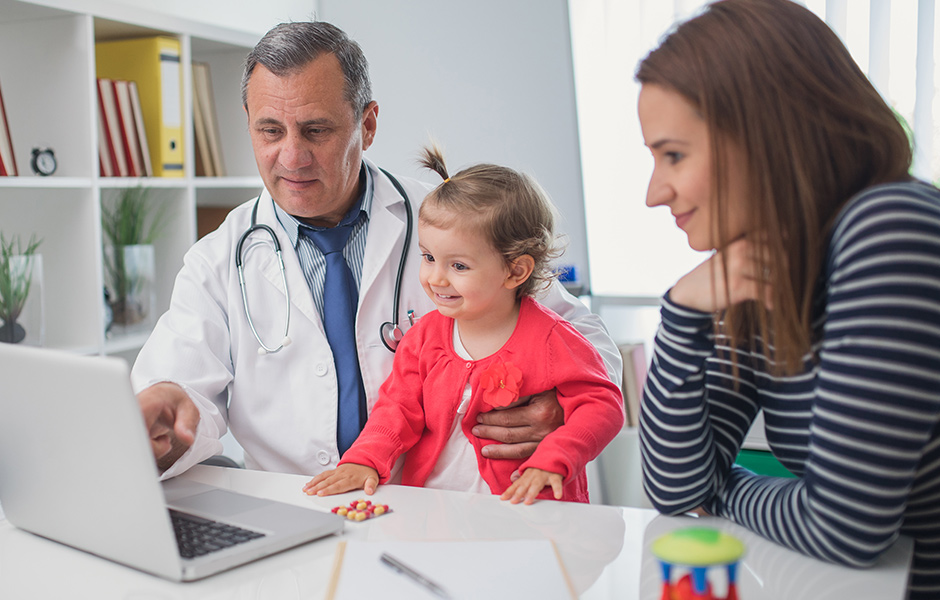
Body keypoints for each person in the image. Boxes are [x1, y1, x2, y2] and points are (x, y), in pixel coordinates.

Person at [131, 21, 622, 481]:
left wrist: (562, 407)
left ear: (367, 125)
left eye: (316, 130)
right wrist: (170, 412)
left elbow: (583, 339)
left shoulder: (450, 223)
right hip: (297, 512)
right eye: (270, 131)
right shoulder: (218, 260)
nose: (292, 156)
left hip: (438, 511)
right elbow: (177, 392)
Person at [634, 1, 940, 598]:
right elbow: (673, 489)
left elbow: (842, 529)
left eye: (673, 154)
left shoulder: (889, 226)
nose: (654, 192)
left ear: (766, 131)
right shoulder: (762, 267)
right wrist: (681, 312)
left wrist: (721, 489)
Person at [303, 146, 625, 504]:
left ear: (515, 271)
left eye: (458, 266)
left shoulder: (553, 339)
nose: (435, 278)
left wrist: (556, 459)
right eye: (428, 258)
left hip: (527, 511)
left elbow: (602, 406)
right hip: (440, 513)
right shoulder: (424, 338)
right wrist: (365, 460)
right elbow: (396, 410)